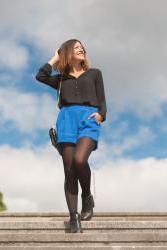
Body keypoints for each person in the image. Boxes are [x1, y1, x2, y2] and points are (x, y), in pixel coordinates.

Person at [35, 39, 107, 233]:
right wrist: (56, 57)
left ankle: (86, 196)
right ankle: (73, 217)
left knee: (79, 160)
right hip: (66, 119)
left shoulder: (94, 73)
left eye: (82, 46)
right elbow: (40, 76)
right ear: (68, 53)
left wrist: (101, 114)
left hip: (88, 118)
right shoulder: (60, 79)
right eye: (76, 47)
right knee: (69, 169)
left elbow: (102, 99)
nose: (81, 49)